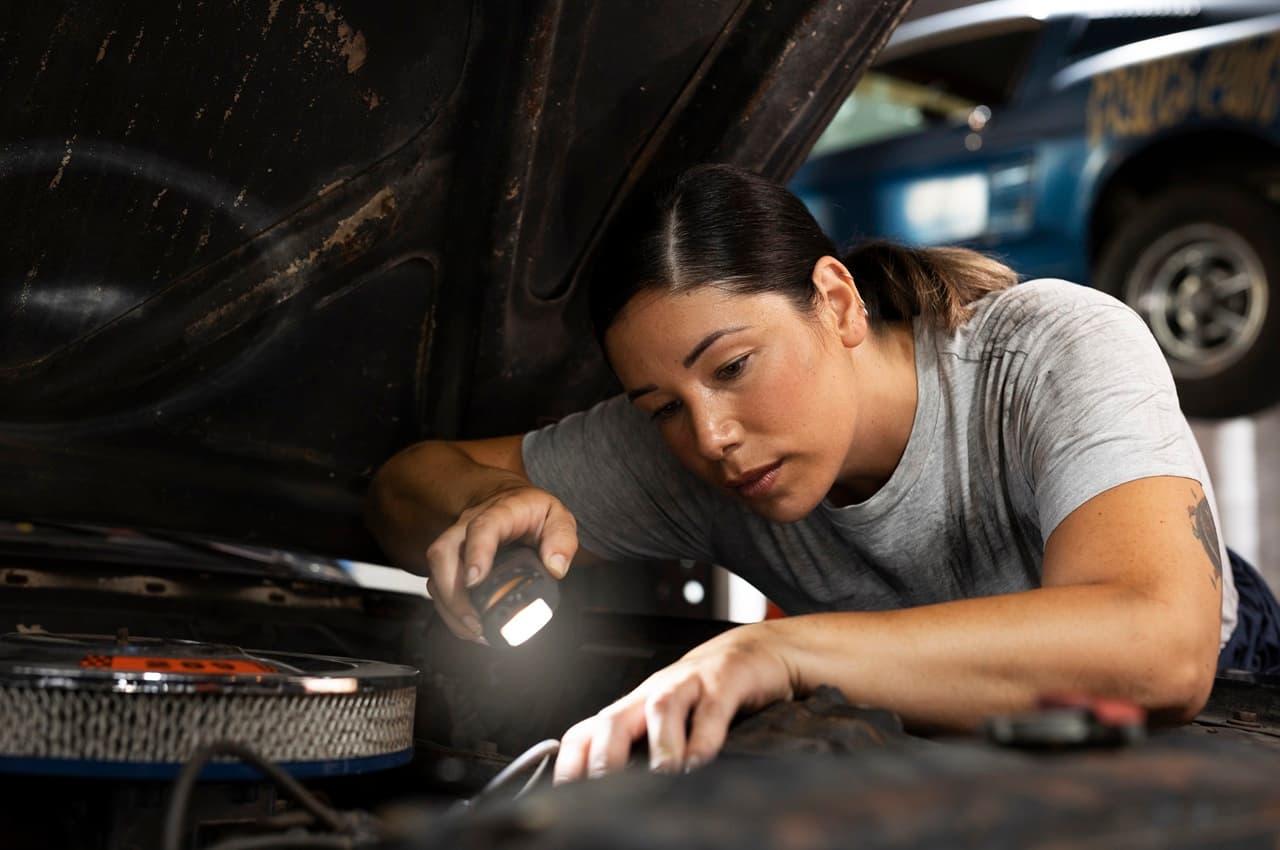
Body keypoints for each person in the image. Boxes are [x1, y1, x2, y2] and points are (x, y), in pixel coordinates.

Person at [366, 163, 1279, 785]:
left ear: (836, 302)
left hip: (1229, 690)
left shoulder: (1051, 347)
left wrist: (776, 651)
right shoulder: (684, 445)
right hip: (947, 727)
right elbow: (404, 484)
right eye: (662, 406)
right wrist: (487, 502)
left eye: (732, 367)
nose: (711, 435)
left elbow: (1161, 652)